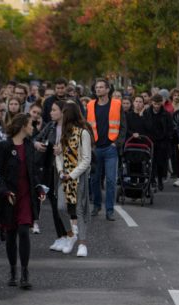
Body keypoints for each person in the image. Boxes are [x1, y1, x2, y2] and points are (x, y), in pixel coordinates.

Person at [0, 113, 46, 288]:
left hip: (26, 195)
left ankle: (25, 272)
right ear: (23, 125)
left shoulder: (29, 146)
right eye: (31, 124)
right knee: (10, 234)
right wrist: (5, 191)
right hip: (10, 196)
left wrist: (39, 187)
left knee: (24, 231)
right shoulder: (3, 147)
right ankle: (12, 270)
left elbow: (33, 171)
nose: (33, 127)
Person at [54, 102, 92, 257]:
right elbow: (58, 155)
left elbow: (86, 158)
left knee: (80, 210)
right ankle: (71, 235)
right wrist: (61, 171)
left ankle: (82, 244)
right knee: (61, 207)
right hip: (64, 176)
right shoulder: (62, 132)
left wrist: (73, 174)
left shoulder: (83, 133)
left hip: (77, 176)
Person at [87, 77, 126, 220]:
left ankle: (109, 210)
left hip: (111, 148)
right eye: (97, 87)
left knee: (110, 180)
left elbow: (123, 126)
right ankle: (97, 206)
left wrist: (117, 143)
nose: (98, 89)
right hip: (95, 148)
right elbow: (87, 126)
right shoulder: (90, 105)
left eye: (101, 87)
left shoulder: (117, 104)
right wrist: (89, 145)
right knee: (94, 179)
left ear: (108, 89)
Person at [34, 99, 69, 252]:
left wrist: (63, 149)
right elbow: (37, 138)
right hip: (50, 169)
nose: (51, 112)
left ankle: (70, 236)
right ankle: (60, 236)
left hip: (67, 171)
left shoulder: (71, 128)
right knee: (55, 204)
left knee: (65, 206)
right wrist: (37, 144)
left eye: (54, 110)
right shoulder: (50, 126)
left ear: (62, 112)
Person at [143, 94, 173, 190]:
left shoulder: (166, 114)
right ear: (152, 103)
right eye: (155, 104)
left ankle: (160, 179)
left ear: (161, 103)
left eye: (158, 104)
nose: (157, 106)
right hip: (150, 141)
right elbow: (144, 126)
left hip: (162, 142)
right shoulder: (147, 113)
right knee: (151, 162)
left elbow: (170, 128)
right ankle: (152, 180)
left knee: (160, 163)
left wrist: (167, 138)